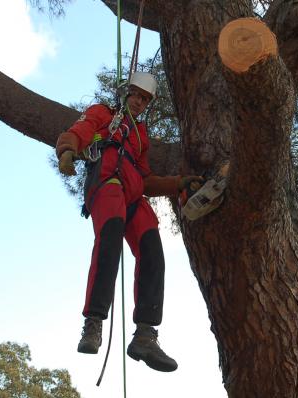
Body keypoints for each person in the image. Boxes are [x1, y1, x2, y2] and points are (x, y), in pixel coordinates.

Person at [55, 72, 201, 372]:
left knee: (153, 254)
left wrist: (178, 183)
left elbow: (146, 180)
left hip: (135, 196)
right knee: (109, 243)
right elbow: (80, 130)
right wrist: (67, 150)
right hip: (108, 183)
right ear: (125, 93)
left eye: (144, 99)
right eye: (135, 95)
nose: (139, 101)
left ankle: (145, 335)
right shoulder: (104, 114)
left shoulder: (140, 135)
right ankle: (94, 322)